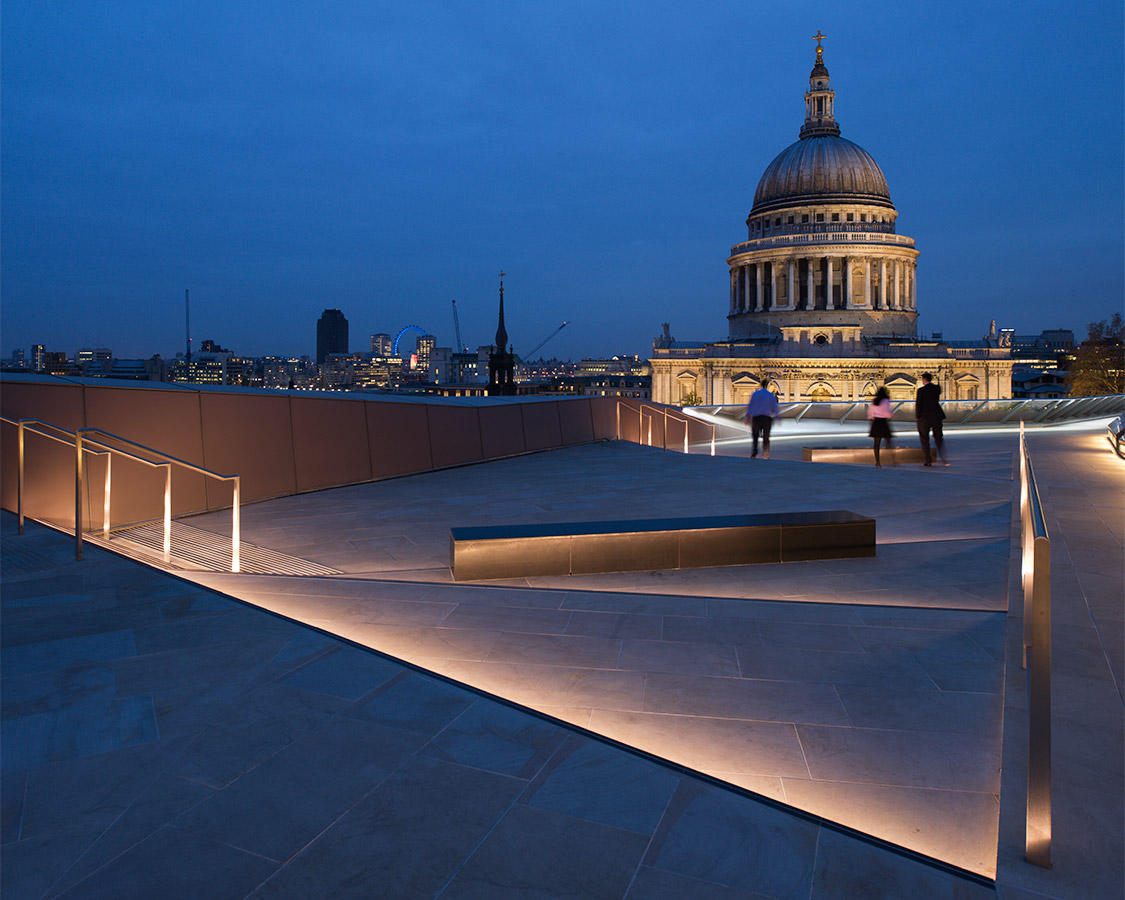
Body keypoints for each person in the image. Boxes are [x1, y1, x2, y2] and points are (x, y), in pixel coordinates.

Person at [914, 372, 946, 466]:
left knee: (924, 439)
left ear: (924, 379)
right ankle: (943, 458)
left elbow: (918, 405)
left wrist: (917, 416)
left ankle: (928, 460)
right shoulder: (937, 388)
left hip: (924, 417)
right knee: (938, 438)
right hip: (936, 416)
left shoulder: (921, 391)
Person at [744, 383, 780, 459]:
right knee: (766, 437)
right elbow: (775, 407)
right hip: (767, 418)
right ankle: (765, 454)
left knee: (755, 436)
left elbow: (750, 406)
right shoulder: (770, 395)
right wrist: (777, 416)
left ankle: (754, 453)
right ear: (767, 386)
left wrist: (747, 417)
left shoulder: (755, 394)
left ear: (761, 385)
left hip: (756, 418)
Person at [867, 386, 893, 467]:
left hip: (876, 423)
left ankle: (878, 462)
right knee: (888, 441)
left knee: (876, 444)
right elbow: (887, 413)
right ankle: (892, 460)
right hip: (883, 422)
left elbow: (870, 414)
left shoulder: (875, 401)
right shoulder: (886, 400)